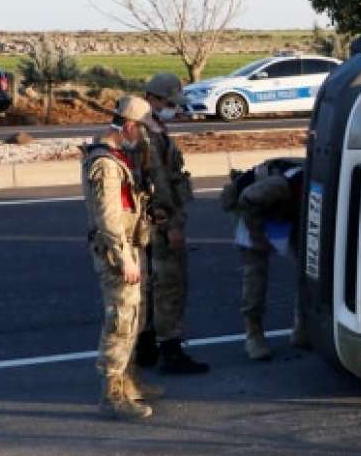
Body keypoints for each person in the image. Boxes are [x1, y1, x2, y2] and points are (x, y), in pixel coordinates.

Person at [80, 96, 162, 420]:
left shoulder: (118, 156)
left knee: (134, 318)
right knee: (120, 320)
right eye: (141, 129)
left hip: (129, 248)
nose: (142, 135)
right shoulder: (104, 163)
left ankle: (129, 382)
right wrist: (124, 258)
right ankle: (112, 394)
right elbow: (108, 219)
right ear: (129, 125)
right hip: (118, 252)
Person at [133, 73, 209, 374]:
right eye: (168, 103)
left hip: (151, 222)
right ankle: (170, 349)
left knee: (152, 286)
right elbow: (158, 184)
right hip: (160, 222)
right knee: (170, 284)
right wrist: (171, 225)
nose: (174, 109)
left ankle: (147, 344)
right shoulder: (147, 137)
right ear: (151, 99)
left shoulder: (151, 130)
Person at [222, 159, 309, 360]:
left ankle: (302, 328)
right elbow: (247, 198)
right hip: (252, 209)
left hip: (288, 212)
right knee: (255, 275)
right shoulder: (284, 185)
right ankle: (254, 335)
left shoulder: (319, 183)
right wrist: (258, 235)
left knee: (308, 268)